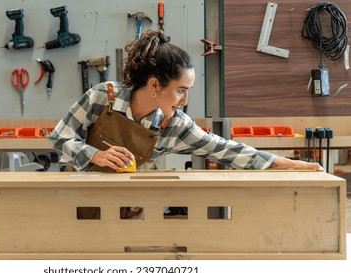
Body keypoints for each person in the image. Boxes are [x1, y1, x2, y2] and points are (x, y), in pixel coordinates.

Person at [49, 29, 322, 173]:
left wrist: (289, 163)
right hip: (78, 193)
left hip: (126, 202)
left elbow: (228, 150)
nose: (184, 100)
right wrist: (95, 154)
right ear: (155, 85)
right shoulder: (102, 96)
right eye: (181, 90)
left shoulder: (175, 126)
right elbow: (60, 137)